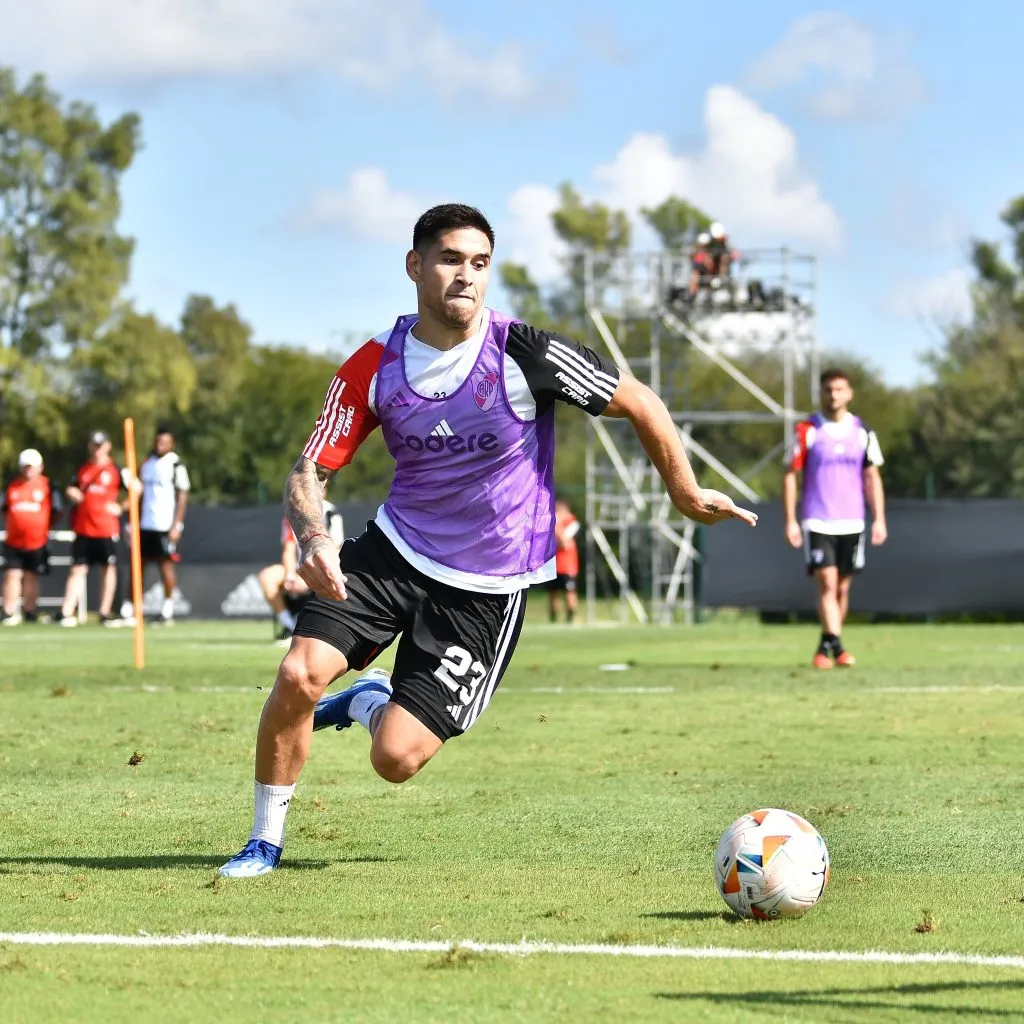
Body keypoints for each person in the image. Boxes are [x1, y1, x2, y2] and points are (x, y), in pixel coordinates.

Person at [219, 203, 758, 878]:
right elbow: (310, 469)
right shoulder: (373, 366)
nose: (466, 277)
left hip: (485, 591)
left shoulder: (526, 352)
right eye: (450, 259)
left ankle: (366, 699)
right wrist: (315, 536)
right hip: (391, 553)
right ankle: (263, 841)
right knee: (297, 673)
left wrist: (683, 491)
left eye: (479, 263)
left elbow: (640, 401)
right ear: (415, 266)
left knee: (394, 759)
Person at [783, 368, 887, 669]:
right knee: (827, 582)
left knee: (842, 587)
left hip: (853, 520)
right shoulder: (807, 430)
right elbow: (790, 475)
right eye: (829, 389)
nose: (834, 395)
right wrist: (790, 519)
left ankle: (825, 644)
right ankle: (839, 647)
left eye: (840, 389)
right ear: (821, 393)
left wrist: (879, 518)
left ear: (849, 393)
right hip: (818, 519)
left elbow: (871, 477)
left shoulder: (862, 432)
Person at [122, 426, 190, 625]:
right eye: (158, 441)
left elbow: (183, 495)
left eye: (164, 442)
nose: (160, 445)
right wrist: (132, 521)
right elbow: (139, 493)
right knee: (137, 565)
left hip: (164, 524)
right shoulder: (147, 463)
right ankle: (130, 608)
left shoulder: (176, 464)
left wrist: (177, 525)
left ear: (171, 444)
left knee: (165, 566)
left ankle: (167, 608)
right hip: (145, 524)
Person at [58, 431, 127, 627]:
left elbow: (135, 491)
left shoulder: (116, 470)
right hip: (84, 528)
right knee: (77, 569)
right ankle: (66, 612)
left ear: (108, 446)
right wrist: (73, 493)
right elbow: (71, 487)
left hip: (106, 528)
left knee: (108, 569)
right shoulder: (83, 469)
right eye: (94, 444)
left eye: (100, 444)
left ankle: (104, 612)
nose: (97, 449)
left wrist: (120, 507)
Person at [1, 449, 58, 625]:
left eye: (31, 467)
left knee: (32, 576)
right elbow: (4, 509)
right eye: (25, 467)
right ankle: (9, 612)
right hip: (14, 541)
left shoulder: (48, 486)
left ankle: (29, 611)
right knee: (12, 575)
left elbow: (57, 512)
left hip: (37, 541)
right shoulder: (12, 486)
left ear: (40, 467)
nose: (28, 470)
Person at [259, 518, 314, 642]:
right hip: (298, 570)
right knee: (267, 576)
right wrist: (290, 576)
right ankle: (289, 626)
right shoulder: (292, 515)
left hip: (318, 569)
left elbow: (334, 548)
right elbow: (288, 549)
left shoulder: (330, 512)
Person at [547, 498, 580, 624]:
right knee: (553, 593)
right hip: (554, 564)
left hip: (568, 566)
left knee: (569, 592)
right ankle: (553, 620)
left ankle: (571, 618)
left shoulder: (572, 523)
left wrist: (557, 525)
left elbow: (564, 543)